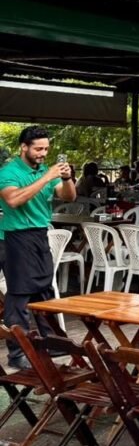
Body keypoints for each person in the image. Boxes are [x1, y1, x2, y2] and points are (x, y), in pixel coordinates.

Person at [0, 126, 76, 369]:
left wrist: (66, 178)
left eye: (46, 148)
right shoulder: (9, 172)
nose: (43, 153)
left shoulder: (44, 170)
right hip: (15, 236)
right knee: (19, 295)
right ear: (24, 147)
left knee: (44, 290)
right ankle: (18, 353)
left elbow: (69, 197)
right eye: (38, 149)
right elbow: (13, 200)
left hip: (40, 234)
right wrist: (47, 177)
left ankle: (50, 342)